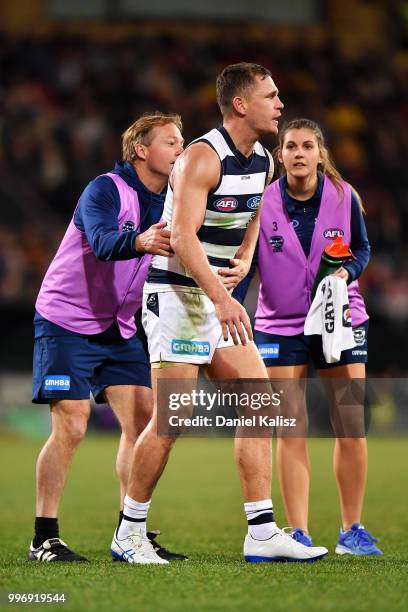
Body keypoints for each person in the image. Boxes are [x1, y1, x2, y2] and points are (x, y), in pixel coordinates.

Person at [110, 63, 328, 564]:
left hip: (214, 299)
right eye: (270, 96)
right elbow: (183, 237)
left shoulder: (265, 163)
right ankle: (129, 532)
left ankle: (261, 531)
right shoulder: (202, 158)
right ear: (240, 105)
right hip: (177, 296)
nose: (279, 104)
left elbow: (255, 213)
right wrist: (226, 299)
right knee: (173, 416)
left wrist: (248, 255)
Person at [29, 112, 187, 562]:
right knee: (73, 423)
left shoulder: (174, 200)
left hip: (119, 326)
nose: (182, 150)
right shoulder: (105, 189)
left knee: (143, 418)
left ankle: (130, 533)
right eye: (172, 142)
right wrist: (140, 242)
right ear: (142, 150)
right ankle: (44, 536)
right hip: (66, 319)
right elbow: (101, 243)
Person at [255, 118, 382, 555]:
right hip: (280, 325)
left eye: (307, 145)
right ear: (281, 154)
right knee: (291, 428)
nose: (298, 153)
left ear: (320, 153)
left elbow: (362, 248)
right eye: (290, 146)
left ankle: (352, 530)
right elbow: (247, 258)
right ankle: (299, 532)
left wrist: (346, 272)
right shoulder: (261, 201)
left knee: (351, 427)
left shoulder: (345, 197)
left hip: (341, 320)